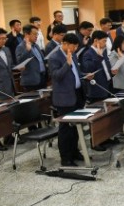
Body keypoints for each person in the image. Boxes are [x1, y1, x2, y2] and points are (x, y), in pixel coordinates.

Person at [49, 33, 91, 166]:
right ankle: (66, 158)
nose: (75, 49)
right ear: (65, 44)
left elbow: (76, 74)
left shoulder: (72, 54)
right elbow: (56, 76)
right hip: (65, 98)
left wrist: (85, 76)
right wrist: (67, 64)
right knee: (66, 129)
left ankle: (74, 151)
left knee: (76, 127)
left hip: (77, 95)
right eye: (74, 46)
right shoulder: (54, 57)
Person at [82, 30, 116, 102]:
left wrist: (112, 72)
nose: (105, 43)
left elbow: (106, 67)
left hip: (108, 86)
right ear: (96, 40)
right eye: (104, 41)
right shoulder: (87, 53)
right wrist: (98, 57)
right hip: (97, 89)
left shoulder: (103, 51)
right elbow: (88, 69)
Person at [16, 24, 48, 91]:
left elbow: (41, 60)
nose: (37, 36)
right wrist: (27, 50)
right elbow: (19, 62)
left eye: (37, 34)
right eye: (34, 34)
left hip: (42, 78)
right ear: (27, 34)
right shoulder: (21, 47)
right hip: (31, 81)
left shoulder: (36, 45)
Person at [0, 28, 15, 98]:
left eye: (5, 38)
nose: (4, 41)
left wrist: (18, 67)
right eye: (1, 38)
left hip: (11, 85)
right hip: (0, 88)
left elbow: (10, 65)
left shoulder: (7, 49)